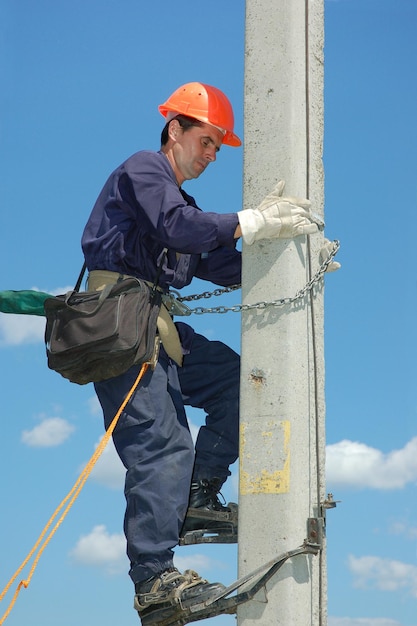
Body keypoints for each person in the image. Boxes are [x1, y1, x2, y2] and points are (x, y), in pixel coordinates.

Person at [81, 81, 318, 625]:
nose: (212, 155)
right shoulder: (144, 171)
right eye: (208, 141)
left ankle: (192, 500)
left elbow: (216, 261)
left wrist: (290, 253)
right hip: (118, 322)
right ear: (175, 130)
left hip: (154, 324)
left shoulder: (181, 206)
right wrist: (250, 220)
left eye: (218, 147)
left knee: (241, 384)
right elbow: (178, 229)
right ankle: (155, 584)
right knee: (160, 441)